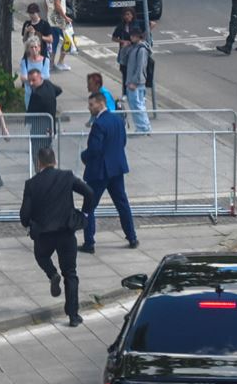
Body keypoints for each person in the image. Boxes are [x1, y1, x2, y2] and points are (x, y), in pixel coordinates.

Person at [20, 146, 94, 327]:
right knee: (71, 273)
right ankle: (73, 315)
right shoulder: (66, 176)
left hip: (44, 234)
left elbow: (24, 215)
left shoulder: (32, 184)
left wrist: (30, 223)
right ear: (55, 161)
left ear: (39, 163)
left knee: (41, 256)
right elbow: (89, 193)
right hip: (66, 232)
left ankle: (52, 273)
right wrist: (83, 214)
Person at [80, 92, 137, 253]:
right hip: (116, 169)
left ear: (101, 104)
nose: (89, 108)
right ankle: (132, 237)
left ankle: (89, 242)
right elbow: (123, 142)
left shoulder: (99, 124)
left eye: (91, 105)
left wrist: (84, 156)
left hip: (100, 172)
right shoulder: (118, 120)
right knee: (122, 204)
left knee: (89, 206)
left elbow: (94, 149)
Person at [26, 68, 60, 158]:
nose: (31, 83)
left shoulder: (39, 95)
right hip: (48, 127)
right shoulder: (48, 84)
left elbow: (32, 111)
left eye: (33, 80)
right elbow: (58, 90)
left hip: (41, 127)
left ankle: (40, 171)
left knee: (38, 154)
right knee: (47, 152)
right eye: (29, 80)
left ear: (40, 77)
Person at [123, 28, 152, 133]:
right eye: (131, 35)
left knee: (137, 106)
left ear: (138, 36)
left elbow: (140, 67)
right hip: (134, 81)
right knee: (139, 105)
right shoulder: (133, 48)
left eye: (133, 36)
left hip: (135, 82)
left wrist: (134, 82)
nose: (131, 37)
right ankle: (145, 126)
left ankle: (142, 127)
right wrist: (125, 48)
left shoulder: (141, 50)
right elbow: (123, 60)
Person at [43, 0, 72, 71]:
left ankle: (51, 64)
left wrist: (48, 17)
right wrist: (65, 17)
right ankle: (60, 62)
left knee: (54, 42)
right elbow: (57, 5)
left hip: (51, 20)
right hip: (59, 21)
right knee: (68, 40)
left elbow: (46, 6)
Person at [18, 38, 52, 110]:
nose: (34, 49)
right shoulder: (25, 62)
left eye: (35, 47)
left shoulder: (45, 61)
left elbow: (46, 76)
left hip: (42, 94)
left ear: (39, 48)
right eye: (31, 47)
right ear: (28, 49)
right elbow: (23, 77)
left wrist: (30, 80)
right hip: (29, 94)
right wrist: (37, 79)